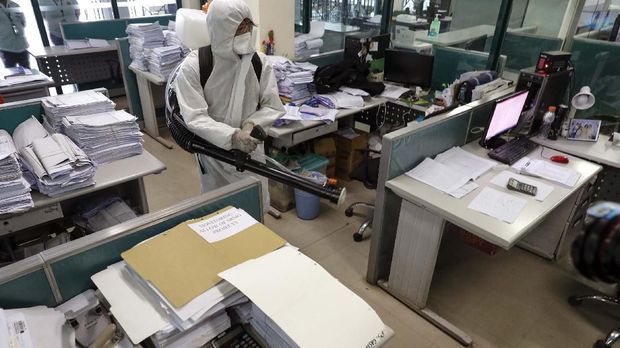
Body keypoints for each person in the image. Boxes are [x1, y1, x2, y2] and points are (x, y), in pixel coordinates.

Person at [174, 0, 284, 212]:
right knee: (219, 213)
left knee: (255, 208)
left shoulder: (259, 63)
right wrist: (232, 136)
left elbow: (272, 105)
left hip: (251, 152)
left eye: (249, 26)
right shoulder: (194, 67)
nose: (247, 33)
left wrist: (251, 125)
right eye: (240, 28)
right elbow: (195, 117)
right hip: (214, 154)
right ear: (221, 28)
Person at [0, 0, 30, 68]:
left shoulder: (14, 5)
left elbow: (23, 22)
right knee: (11, 74)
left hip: (21, 45)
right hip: (5, 47)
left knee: (27, 71)